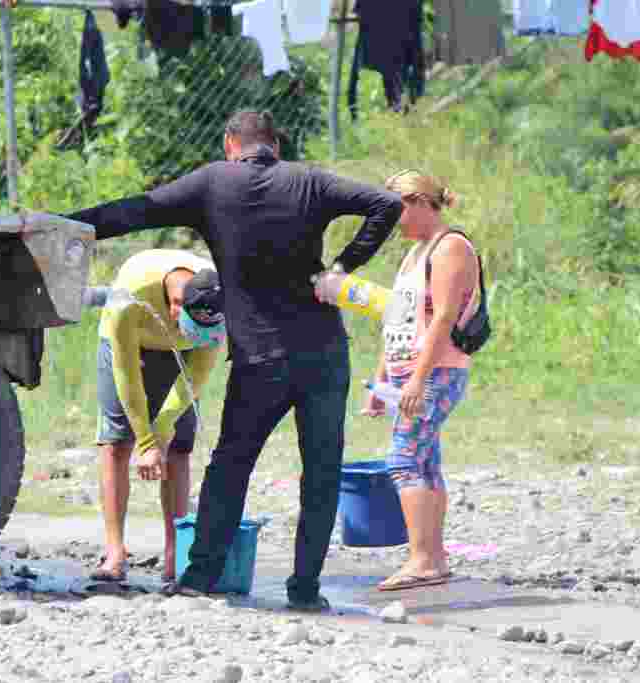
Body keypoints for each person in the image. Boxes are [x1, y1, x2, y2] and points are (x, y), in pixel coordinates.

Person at [68, 110, 403, 611]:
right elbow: (387, 203)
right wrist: (343, 266)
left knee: (231, 465)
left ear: (231, 144)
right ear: (275, 146)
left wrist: (67, 225)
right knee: (321, 471)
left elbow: (135, 211)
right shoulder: (307, 181)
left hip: (260, 359)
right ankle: (305, 590)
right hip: (324, 355)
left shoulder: (212, 184)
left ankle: (199, 577)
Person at [359, 169, 480, 591]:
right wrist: (380, 381)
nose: (393, 223)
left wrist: (417, 379)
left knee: (404, 458)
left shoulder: (450, 248)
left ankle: (423, 559)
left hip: (436, 371)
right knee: (424, 460)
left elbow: (444, 317)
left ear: (420, 202)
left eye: (397, 212)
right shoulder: (415, 253)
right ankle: (433, 557)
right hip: (407, 372)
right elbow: (399, 318)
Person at [89, 249, 226, 583]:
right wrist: (146, 441)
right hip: (127, 343)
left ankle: (174, 554)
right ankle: (115, 553)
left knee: (179, 448)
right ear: (176, 306)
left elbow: (195, 377)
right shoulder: (131, 298)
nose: (200, 338)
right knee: (116, 444)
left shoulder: (215, 299)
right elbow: (126, 373)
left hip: (178, 354)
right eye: (191, 328)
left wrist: (162, 433)